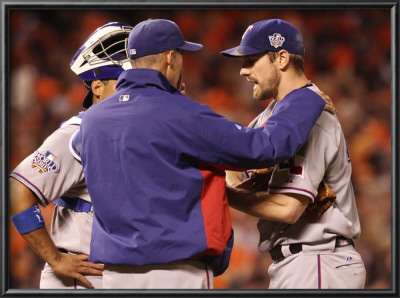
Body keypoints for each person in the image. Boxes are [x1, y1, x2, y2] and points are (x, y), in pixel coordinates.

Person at [78, 18, 329, 289]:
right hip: (175, 273)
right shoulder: (181, 113)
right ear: (170, 58)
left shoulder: (92, 120)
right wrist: (305, 98)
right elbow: (267, 147)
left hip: (114, 276)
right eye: (183, 55)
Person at [222, 19, 366, 289]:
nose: (243, 71)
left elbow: (288, 208)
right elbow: (233, 169)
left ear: (282, 58)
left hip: (319, 260)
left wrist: (222, 192)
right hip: (298, 262)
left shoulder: (312, 116)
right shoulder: (272, 116)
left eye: (251, 60)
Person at [9, 22, 133, 289]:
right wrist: (55, 259)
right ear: (97, 87)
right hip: (78, 280)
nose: (133, 91)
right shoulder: (78, 134)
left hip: (116, 277)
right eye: (124, 82)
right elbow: (16, 191)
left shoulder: (130, 134)